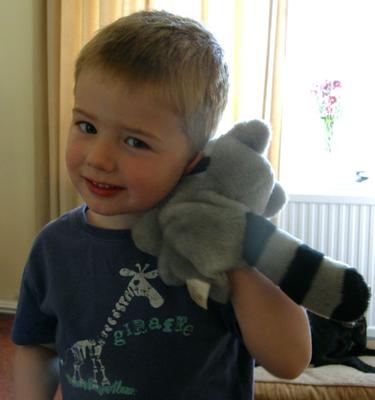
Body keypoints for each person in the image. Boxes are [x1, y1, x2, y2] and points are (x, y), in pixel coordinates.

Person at [12, 10, 311, 400]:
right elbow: (38, 344)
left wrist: (233, 260)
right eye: (87, 126)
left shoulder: (225, 248)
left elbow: (291, 360)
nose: (99, 158)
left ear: (194, 161)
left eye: (135, 141)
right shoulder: (52, 247)